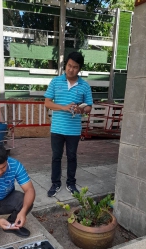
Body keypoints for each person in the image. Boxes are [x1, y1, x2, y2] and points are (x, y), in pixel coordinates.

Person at [44, 51, 93, 197]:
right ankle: (55, 183)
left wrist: (80, 110)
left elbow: (89, 106)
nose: (71, 69)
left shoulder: (84, 85)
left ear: (79, 68)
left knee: (72, 156)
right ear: (65, 65)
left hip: (74, 130)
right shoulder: (55, 81)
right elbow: (47, 103)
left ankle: (71, 183)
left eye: (75, 67)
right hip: (57, 128)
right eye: (69, 65)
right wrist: (63, 107)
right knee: (56, 156)